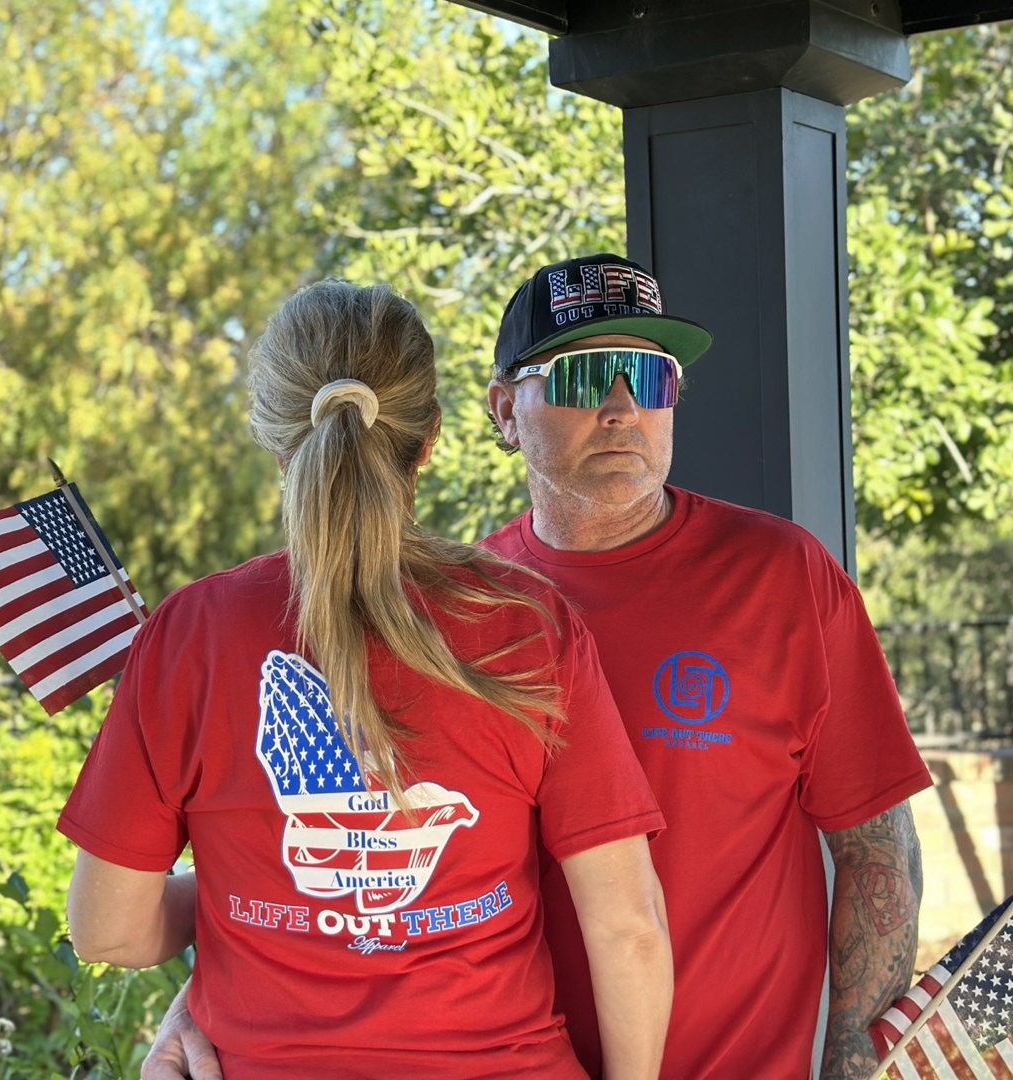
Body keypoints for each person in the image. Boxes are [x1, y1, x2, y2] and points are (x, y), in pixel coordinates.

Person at [140, 255, 932, 1080]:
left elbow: (880, 849)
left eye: (650, 378)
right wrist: (202, 997)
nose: (623, 409)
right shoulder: (462, 620)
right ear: (502, 412)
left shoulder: (784, 578)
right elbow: (364, 866)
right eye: (586, 377)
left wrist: (850, 1059)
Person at [57, 280, 673, 1080]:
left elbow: (107, 931)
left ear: (274, 439)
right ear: (431, 438)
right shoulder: (525, 624)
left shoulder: (192, 634)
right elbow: (628, 928)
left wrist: (232, 879)